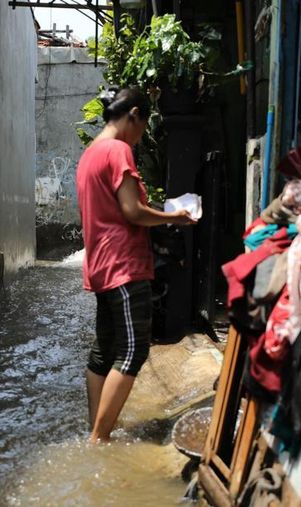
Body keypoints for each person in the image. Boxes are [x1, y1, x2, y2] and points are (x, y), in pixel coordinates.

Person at [76, 87, 197, 442]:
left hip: (99, 264)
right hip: (124, 265)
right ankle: (99, 437)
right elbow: (132, 211)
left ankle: (96, 428)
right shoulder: (118, 150)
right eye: (143, 126)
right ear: (133, 115)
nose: (141, 135)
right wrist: (174, 218)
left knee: (105, 350)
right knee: (133, 349)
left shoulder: (89, 155)